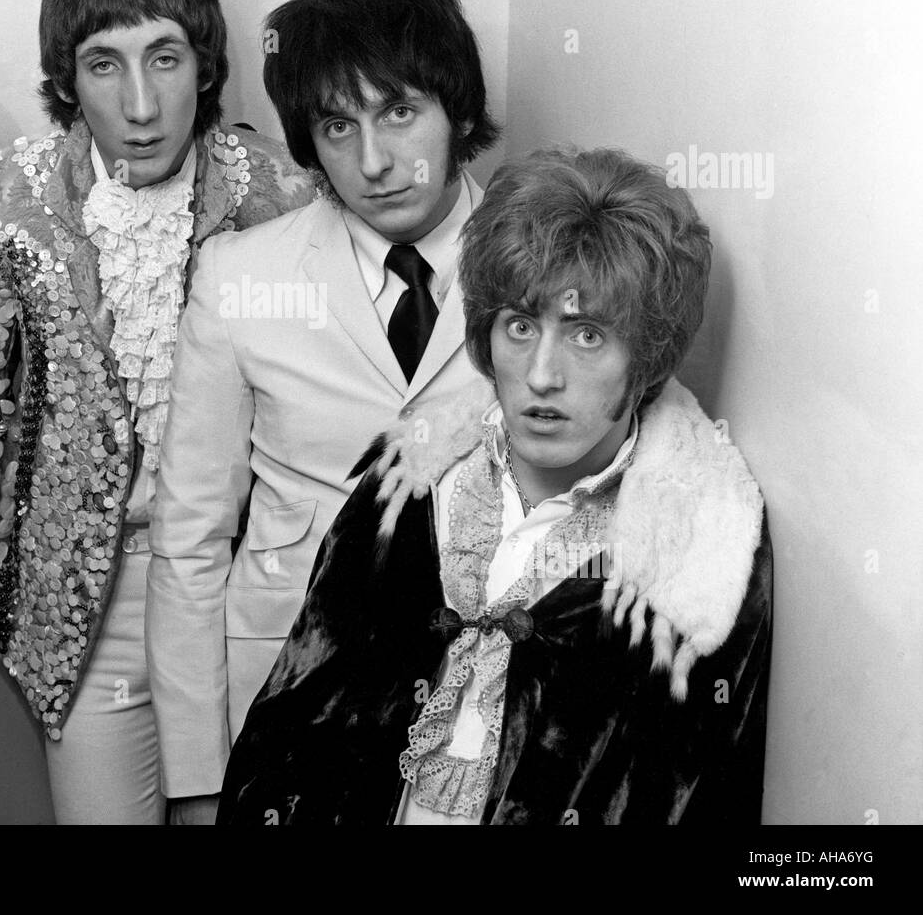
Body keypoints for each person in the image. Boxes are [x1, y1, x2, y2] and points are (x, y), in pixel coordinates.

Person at [218, 148, 773, 825]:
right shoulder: (412, 487)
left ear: (648, 355)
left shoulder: (697, 552)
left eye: (588, 335)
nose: (542, 374)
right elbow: (294, 722)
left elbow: (700, 796)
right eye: (519, 326)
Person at [0, 0, 314, 824]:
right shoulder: (1, 200)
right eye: (105, 64)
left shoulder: (280, 195)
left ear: (207, 66)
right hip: (85, 607)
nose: (141, 105)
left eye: (167, 58)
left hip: (243, 592)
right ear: (68, 80)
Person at [146, 0, 500, 822]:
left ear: (456, 108)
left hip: (478, 722)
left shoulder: (543, 261)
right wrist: (197, 779)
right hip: (286, 709)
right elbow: (189, 539)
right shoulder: (238, 279)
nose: (374, 161)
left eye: (400, 112)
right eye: (338, 127)